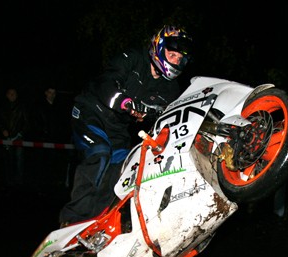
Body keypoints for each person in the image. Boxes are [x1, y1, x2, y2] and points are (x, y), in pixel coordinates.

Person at [59, 25, 192, 226]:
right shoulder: (132, 58)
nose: (175, 61)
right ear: (158, 47)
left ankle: (96, 223)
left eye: (179, 59)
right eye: (171, 54)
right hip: (91, 112)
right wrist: (124, 102)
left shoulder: (171, 89)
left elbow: (169, 117)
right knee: (99, 154)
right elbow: (106, 82)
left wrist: (151, 116)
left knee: (122, 171)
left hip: (118, 128)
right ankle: (72, 220)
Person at [0, 87, 29, 187]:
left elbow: (26, 122)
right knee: (8, 158)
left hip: (19, 137)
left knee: (19, 158)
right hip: (7, 137)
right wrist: (3, 130)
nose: (12, 95)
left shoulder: (22, 107)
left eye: (14, 93)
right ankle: (9, 180)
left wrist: (20, 133)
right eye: (10, 93)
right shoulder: (2, 107)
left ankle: (19, 180)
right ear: (7, 95)